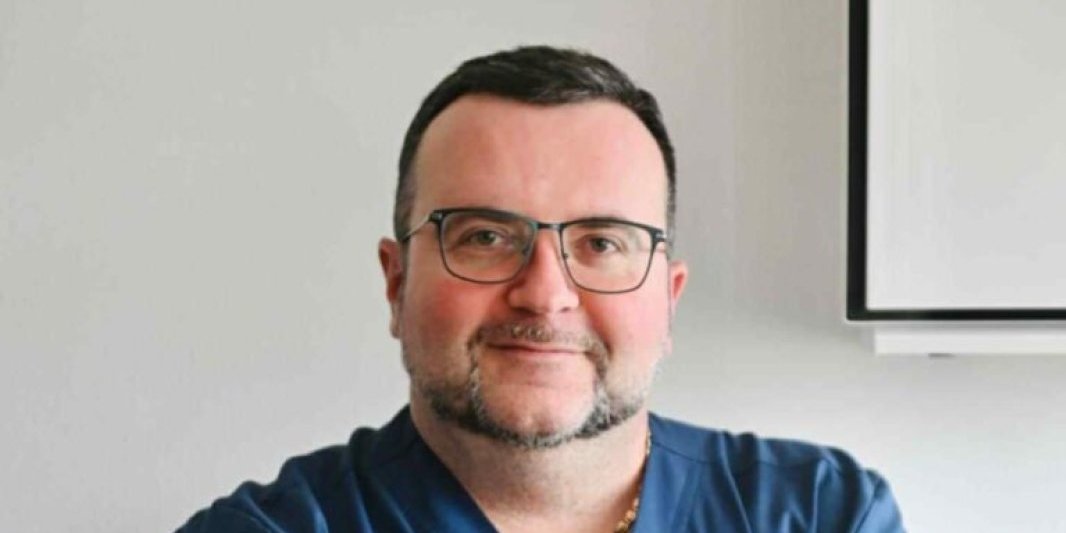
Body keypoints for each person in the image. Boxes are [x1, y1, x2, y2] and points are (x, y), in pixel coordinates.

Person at [177, 45, 904, 532]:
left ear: (669, 299)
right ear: (397, 283)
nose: (545, 292)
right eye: (485, 236)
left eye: (602, 243)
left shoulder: (820, 515)